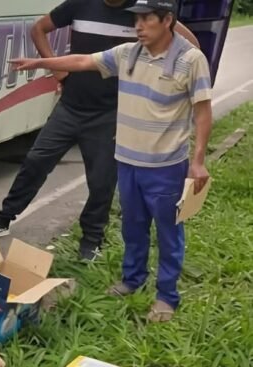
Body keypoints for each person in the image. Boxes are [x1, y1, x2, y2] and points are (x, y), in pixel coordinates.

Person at [11, 0, 212, 322]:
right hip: (127, 159)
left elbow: (202, 112)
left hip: (164, 166)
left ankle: (166, 297)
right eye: (137, 21)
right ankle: (133, 280)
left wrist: (198, 161)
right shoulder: (128, 53)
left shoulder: (190, 60)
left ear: (168, 20)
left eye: (147, 20)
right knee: (133, 227)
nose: (139, 26)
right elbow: (81, 60)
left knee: (168, 233)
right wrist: (40, 63)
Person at [0, 0, 199, 263]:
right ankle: (3, 218)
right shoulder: (80, 4)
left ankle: (92, 239)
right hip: (71, 106)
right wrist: (57, 69)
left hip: (112, 114)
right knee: (36, 161)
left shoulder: (141, 13)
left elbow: (190, 45)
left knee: (102, 181)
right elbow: (39, 29)